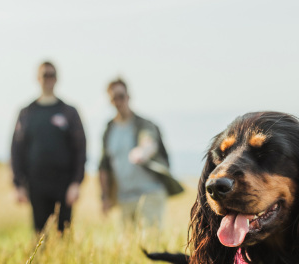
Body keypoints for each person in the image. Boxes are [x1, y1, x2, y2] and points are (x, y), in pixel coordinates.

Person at [10, 61, 86, 233]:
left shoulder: (69, 112)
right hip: (36, 185)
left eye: (51, 75)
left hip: (64, 185)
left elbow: (80, 149)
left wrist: (76, 183)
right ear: (38, 78)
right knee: (40, 234)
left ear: (57, 78)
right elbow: (16, 150)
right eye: (45, 75)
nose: (48, 79)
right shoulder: (27, 113)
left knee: (64, 234)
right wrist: (18, 184)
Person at [99, 78, 182, 228]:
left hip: (150, 193)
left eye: (121, 96)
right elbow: (104, 165)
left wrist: (142, 151)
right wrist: (105, 197)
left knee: (149, 244)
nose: (118, 101)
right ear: (110, 101)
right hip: (124, 198)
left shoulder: (144, 124)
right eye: (114, 98)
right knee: (126, 246)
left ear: (128, 96)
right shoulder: (109, 130)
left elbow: (149, 140)